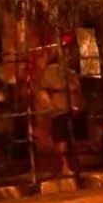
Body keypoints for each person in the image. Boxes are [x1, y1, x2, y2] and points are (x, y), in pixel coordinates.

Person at [32, 46, 85, 176]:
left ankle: (72, 165)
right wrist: (50, 106)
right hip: (60, 110)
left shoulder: (69, 72)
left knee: (69, 138)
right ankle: (64, 166)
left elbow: (77, 89)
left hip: (70, 109)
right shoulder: (52, 71)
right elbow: (44, 91)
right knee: (62, 139)